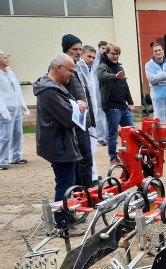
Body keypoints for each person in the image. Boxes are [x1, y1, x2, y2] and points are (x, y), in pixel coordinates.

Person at [33, 53, 85, 236]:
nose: (72, 74)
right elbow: (67, 118)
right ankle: (62, 225)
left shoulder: (55, 87)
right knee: (64, 184)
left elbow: (69, 105)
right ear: (59, 68)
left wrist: (76, 103)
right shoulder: (50, 91)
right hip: (59, 144)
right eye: (70, 70)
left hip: (59, 141)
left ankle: (67, 215)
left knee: (67, 181)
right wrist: (78, 108)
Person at [62, 34, 95, 189]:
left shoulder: (77, 67)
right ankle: (82, 190)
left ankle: (84, 189)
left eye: (80, 49)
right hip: (74, 120)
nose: (78, 52)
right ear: (66, 49)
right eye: (74, 49)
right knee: (82, 157)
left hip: (82, 119)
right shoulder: (62, 67)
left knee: (86, 157)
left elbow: (84, 92)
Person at [98, 43, 135, 165]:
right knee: (113, 133)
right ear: (106, 53)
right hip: (111, 106)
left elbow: (125, 86)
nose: (115, 56)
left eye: (117, 54)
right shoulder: (102, 66)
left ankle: (134, 155)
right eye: (113, 53)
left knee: (132, 131)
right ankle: (113, 158)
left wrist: (130, 102)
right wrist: (115, 76)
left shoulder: (119, 67)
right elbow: (103, 76)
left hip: (123, 106)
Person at [0, 50, 29, 170]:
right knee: (5, 135)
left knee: (18, 132)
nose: (8, 59)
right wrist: (3, 109)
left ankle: (16, 156)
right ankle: (2, 160)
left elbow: (17, 89)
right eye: (5, 57)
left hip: (16, 107)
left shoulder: (10, 72)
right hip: (6, 108)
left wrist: (23, 105)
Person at [77, 45, 100, 185]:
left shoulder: (90, 70)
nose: (91, 60)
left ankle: (93, 175)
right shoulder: (79, 69)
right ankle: (90, 177)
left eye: (93, 57)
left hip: (93, 112)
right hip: (84, 113)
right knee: (87, 149)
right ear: (82, 55)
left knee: (91, 147)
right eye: (89, 57)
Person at [93, 41, 108, 146]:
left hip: (105, 87)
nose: (104, 50)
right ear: (98, 48)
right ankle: (100, 137)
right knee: (99, 112)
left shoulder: (106, 58)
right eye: (102, 48)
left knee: (107, 112)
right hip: (96, 88)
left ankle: (108, 135)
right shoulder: (94, 59)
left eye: (105, 49)